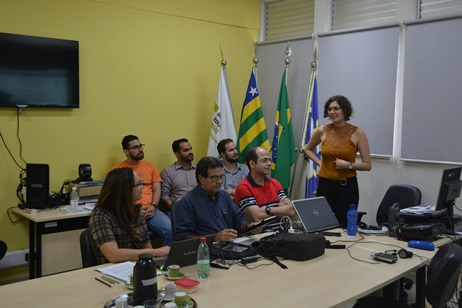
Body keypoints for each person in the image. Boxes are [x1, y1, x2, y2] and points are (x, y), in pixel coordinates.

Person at [304, 95, 371, 227]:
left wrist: (348, 165)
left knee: (343, 225)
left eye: (336, 108)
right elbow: (308, 149)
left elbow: (367, 165)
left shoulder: (357, 132)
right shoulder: (322, 130)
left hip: (347, 187)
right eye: (329, 109)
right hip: (325, 185)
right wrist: (320, 163)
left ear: (345, 110)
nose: (332, 112)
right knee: (322, 224)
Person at [88, 168, 170, 264]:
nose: (142, 188)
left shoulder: (136, 212)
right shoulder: (100, 215)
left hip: (137, 266)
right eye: (138, 184)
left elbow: (147, 248)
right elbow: (114, 255)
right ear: (125, 189)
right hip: (112, 270)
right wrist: (156, 252)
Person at [174, 156, 257, 242]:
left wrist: (249, 226)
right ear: (201, 178)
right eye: (214, 178)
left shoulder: (224, 195)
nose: (219, 181)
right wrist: (214, 238)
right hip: (206, 249)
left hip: (230, 245)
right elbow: (182, 237)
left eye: (221, 177)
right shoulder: (188, 202)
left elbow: (239, 219)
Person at [113, 135, 172, 247]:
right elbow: (118, 197)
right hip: (130, 213)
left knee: (171, 230)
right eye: (135, 147)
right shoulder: (118, 171)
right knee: (128, 237)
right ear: (126, 151)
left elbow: (157, 189)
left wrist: (153, 206)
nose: (140, 149)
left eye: (141, 146)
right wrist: (136, 210)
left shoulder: (150, 166)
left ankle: (165, 261)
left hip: (151, 210)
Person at [235, 147, 295, 230]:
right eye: (264, 160)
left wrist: (267, 209)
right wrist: (280, 208)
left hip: (284, 232)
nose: (269, 163)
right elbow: (257, 218)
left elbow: (291, 211)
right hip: (262, 237)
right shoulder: (244, 187)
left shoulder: (275, 183)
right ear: (252, 164)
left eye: (269, 160)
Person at [160, 138, 197, 211]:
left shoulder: (199, 169)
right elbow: (164, 196)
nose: (190, 152)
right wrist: (176, 210)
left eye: (190, 149)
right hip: (177, 209)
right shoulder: (168, 172)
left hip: (197, 208)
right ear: (177, 154)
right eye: (186, 150)